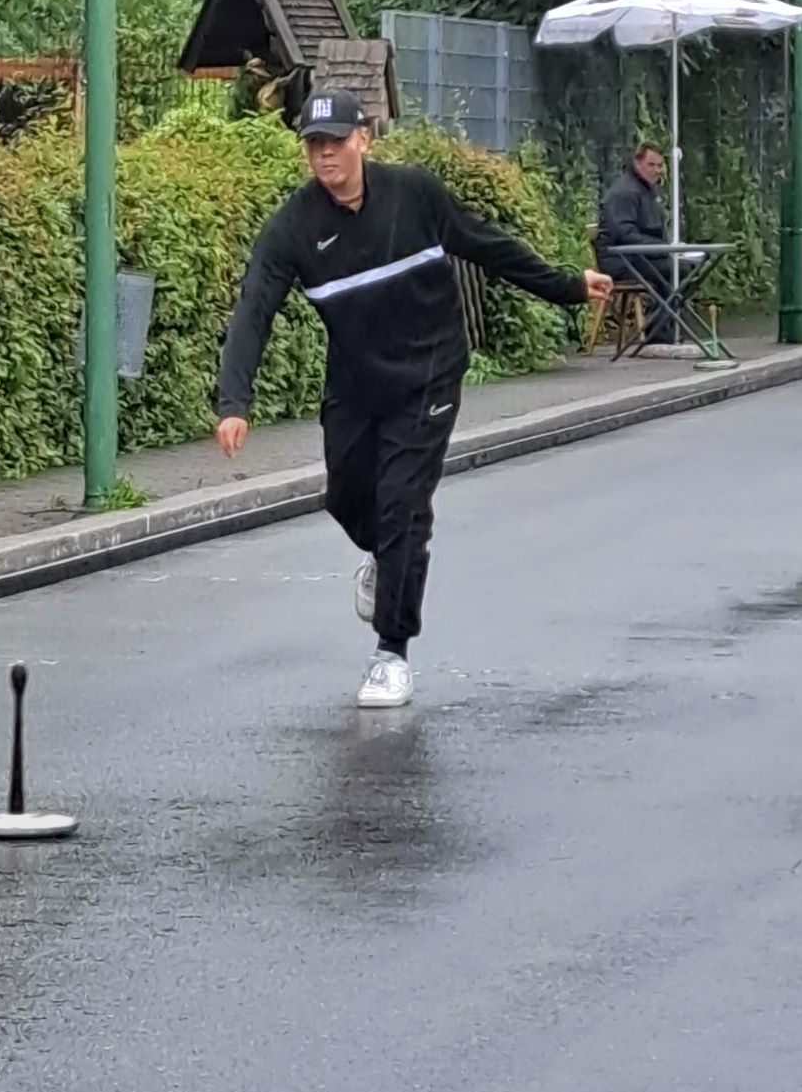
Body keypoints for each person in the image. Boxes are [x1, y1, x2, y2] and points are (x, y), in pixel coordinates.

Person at [215, 90, 613, 710]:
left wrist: (566, 285)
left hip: (428, 374)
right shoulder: (294, 227)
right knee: (347, 498)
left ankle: (391, 652)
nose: (325, 155)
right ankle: (386, 559)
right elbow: (253, 310)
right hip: (355, 384)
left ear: (364, 139)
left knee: (403, 506)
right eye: (314, 145)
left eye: (335, 141)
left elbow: (487, 244)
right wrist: (233, 401)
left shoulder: (414, 195)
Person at [597, 143, 685, 344]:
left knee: (680, 268)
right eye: (651, 165)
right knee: (675, 270)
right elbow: (625, 234)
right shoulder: (625, 193)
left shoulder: (644, 190)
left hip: (638, 255)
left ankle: (665, 327)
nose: (657, 170)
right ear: (637, 163)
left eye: (660, 165)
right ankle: (661, 331)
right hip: (620, 259)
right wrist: (664, 248)